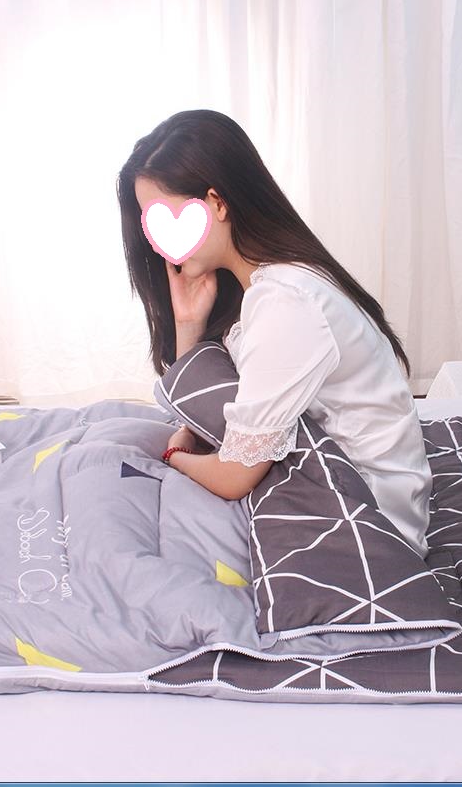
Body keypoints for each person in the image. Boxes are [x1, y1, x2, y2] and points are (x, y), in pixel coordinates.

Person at [116, 110, 431, 557]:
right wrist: (188, 323)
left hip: (369, 520)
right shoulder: (271, 282)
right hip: (338, 484)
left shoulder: (286, 301)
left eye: (164, 218)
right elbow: (216, 409)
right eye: (151, 225)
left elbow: (235, 475)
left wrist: (174, 458)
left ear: (216, 203)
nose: (158, 245)